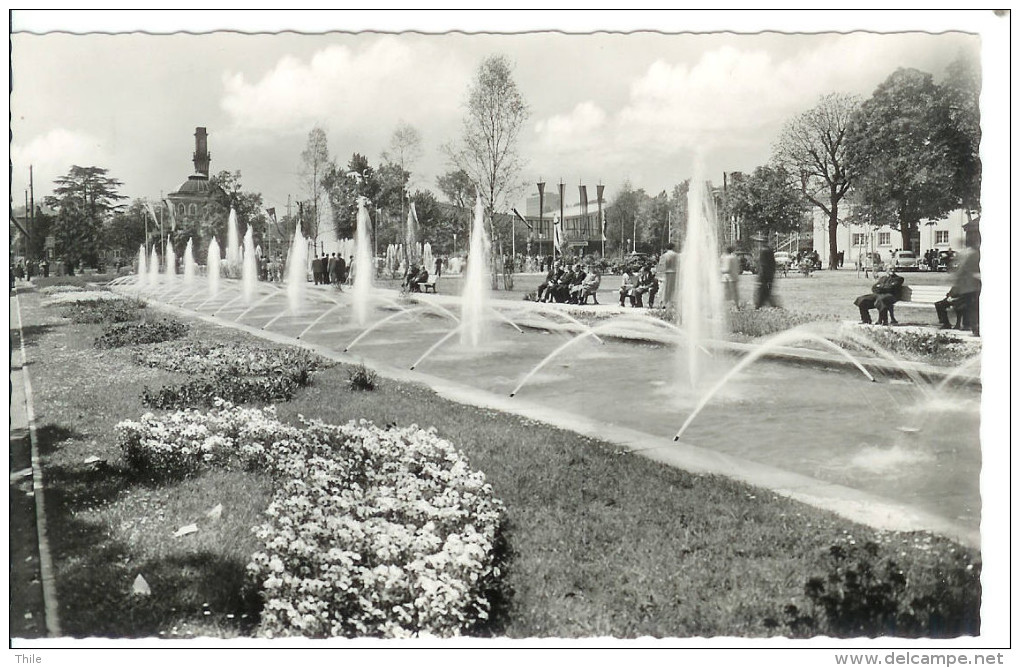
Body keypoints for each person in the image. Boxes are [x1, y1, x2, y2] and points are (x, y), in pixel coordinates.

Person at [934, 238, 980, 335]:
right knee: (971, 308)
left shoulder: (968, 255)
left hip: (966, 290)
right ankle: (970, 327)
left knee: (969, 308)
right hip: (965, 290)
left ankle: (972, 328)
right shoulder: (969, 254)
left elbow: (961, 271)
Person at [755, 244, 779, 308]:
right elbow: (773, 265)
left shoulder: (763, 251)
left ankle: (759, 305)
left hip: (764, 276)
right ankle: (771, 305)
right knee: (767, 291)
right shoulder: (770, 252)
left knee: (763, 292)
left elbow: (762, 265)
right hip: (770, 275)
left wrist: (760, 276)